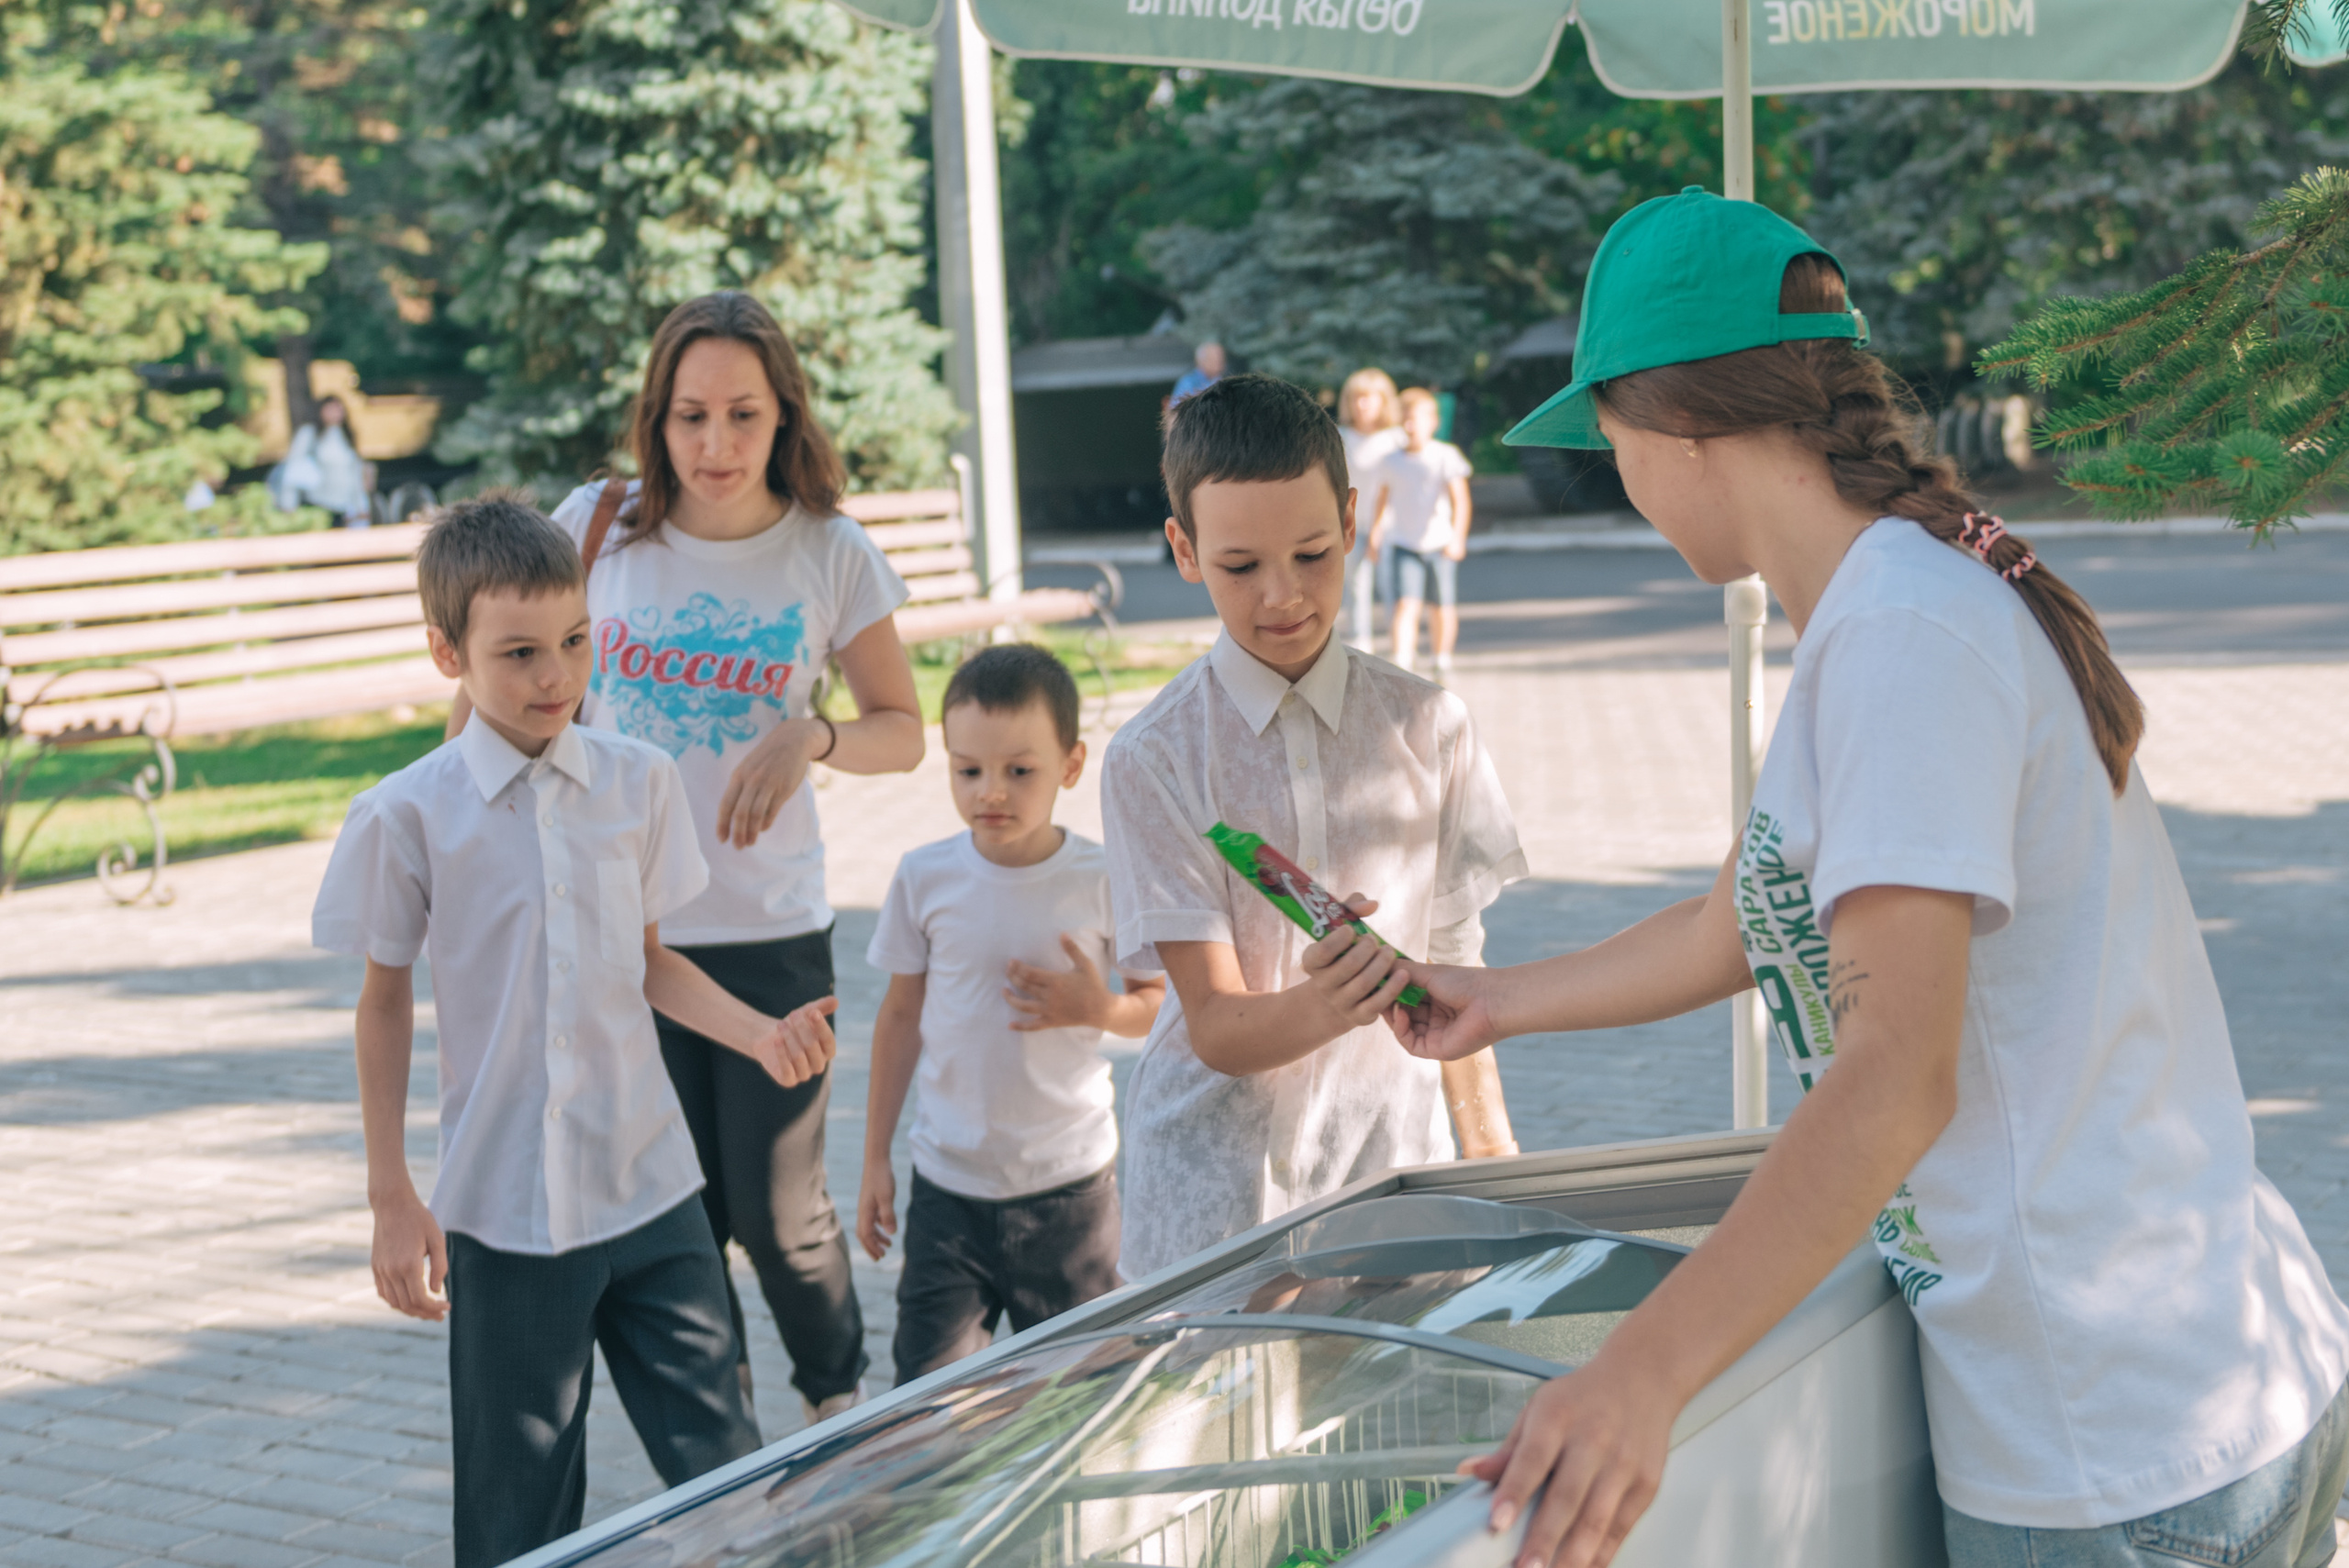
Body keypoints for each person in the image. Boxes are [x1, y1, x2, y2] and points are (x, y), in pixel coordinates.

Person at [1384, 188, 2349, 1568]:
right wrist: (1494, 998)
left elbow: (1895, 1076)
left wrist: (1642, 1373)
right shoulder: (1887, 607)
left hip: (2112, 1448)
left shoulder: (1903, 633)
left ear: (1681, 425)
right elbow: (1737, 919)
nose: (1619, 477)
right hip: (2203, 1382)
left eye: (1608, 439)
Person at [314, 494, 842, 1567]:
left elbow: (648, 960)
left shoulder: (638, 781)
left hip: (654, 1191)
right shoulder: (406, 815)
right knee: (517, 1518)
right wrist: (391, 1194)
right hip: (506, 1214)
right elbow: (383, 1002)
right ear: (447, 653)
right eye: (518, 653)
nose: (556, 675)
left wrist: (758, 1034)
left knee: (730, 1477)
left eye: (573, 640)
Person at [448, 291, 926, 1428]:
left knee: (779, 1208)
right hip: (624, 927)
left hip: (770, 923)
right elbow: (493, 677)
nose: (715, 443)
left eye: (743, 414)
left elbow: (904, 728)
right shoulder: (598, 523)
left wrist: (812, 736)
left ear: (783, 415)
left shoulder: (829, 548)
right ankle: (726, 1421)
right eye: (690, 415)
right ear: (656, 418)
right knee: (680, 1209)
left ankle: (837, 1398)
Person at [1100, 372, 1526, 1283]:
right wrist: (1330, 1000)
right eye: (1240, 566)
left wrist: (1488, 1146)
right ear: (1184, 549)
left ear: (1351, 518)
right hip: (1211, 1201)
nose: (1283, 595)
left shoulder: (1429, 725)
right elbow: (1214, 1025)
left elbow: (1457, 955)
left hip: (1387, 1177)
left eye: (1312, 553)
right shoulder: (1155, 756)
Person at [857, 643, 1166, 1381]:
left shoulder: (1104, 877)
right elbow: (899, 1018)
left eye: (1019, 771)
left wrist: (1098, 1006)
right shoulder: (924, 876)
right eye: (968, 770)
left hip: (1070, 1191)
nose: (990, 792)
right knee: (924, 1403)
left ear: (1071, 763)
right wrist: (873, 1158)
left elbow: (1158, 1007)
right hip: (948, 1190)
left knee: (1086, 1393)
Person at [1368, 387, 1473, 680]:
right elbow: (1382, 499)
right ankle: (1403, 660)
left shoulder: (1445, 456)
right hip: (1404, 542)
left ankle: (1441, 658)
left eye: (1417, 419)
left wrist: (1458, 537)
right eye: (1406, 419)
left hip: (1439, 544)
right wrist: (1376, 532)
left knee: (1441, 606)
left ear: (1433, 422)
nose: (1411, 426)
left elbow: (1461, 501)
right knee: (1406, 604)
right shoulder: (1391, 461)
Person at [1337, 368, 1403, 652]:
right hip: (1352, 522)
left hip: (1391, 526)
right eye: (1356, 398)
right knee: (1356, 585)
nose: (1362, 405)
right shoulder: (1340, 437)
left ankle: (1400, 643)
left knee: (1392, 585)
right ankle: (1361, 643)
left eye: (1369, 398)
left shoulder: (1397, 438)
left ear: (1384, 402)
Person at [272, 395, 375, 528]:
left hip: (341, 507)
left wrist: (361, 506)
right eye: (330, 409)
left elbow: (354, 475)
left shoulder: (344, 437)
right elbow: (293, 470)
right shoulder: (310, 434)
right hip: (316, 505)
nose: (335, 413)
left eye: (338, 409)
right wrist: (288, 505)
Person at [1169, 339, 1227, 406]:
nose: (1220, 363)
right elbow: (1176, 408)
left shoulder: (1223, 380)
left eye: (1221, 359)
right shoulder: (1188, 382)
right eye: (1214, 359)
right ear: (1201, 361)